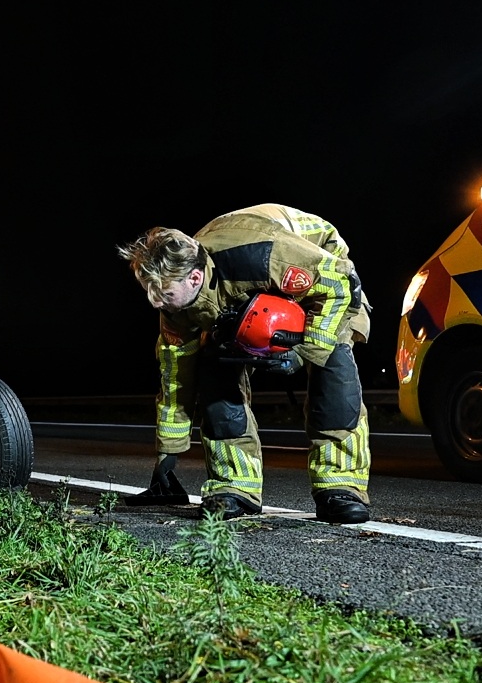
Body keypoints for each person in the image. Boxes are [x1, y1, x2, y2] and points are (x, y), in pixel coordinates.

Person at [118, 205, 373, 524]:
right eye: (149, 292)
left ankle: (341, 487)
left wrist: (303, 350)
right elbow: (176, 378)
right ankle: (234, 487)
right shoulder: (175, 305)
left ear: (194, 277)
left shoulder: (262, 255)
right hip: (242, 292)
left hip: (323, 278)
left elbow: (339, 284)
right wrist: (169, 451)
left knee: (334, 370)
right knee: (213, 370)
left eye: (163, 293)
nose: (155, 303)